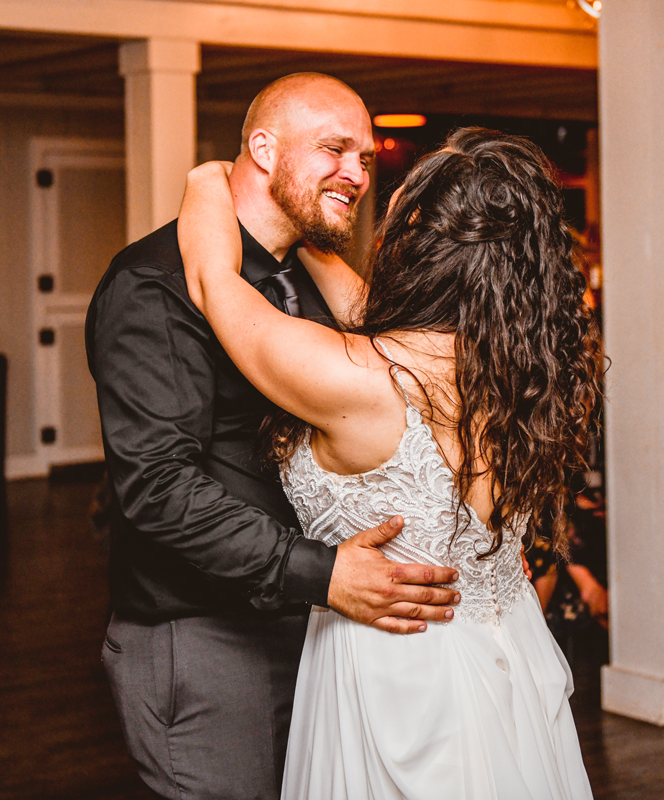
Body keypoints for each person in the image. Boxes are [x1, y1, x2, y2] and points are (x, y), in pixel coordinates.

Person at [178, 127, 598, 798]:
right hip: (508, 654)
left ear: (419, 245)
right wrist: (313, 233)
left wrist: (207, 178)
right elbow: (369, 313)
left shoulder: (363, 381)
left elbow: (211, 280)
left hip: (401, 673)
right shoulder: (522, 370)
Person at [85, 74, 459, 800]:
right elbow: (157, 490)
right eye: (334, 149)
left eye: (364, 157)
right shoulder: (154, 285)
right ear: (262, 149)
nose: (356, 172)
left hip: (317, 624)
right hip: (202, 635)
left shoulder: (315, 285)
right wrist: (324, 573)